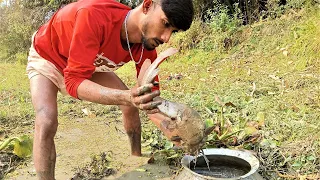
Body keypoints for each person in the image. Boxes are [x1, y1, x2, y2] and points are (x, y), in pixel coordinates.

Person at [26, 0, 194, 179]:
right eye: (166, 24)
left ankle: (135, 157)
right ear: (147, 6)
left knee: (130, 105)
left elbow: (149, 101)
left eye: (173, 31)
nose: (166, 38)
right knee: (46, 120)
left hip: (86, 63)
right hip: (49, 56)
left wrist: (173, 131)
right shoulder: (92, 15)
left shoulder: (147, 46)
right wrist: (127, 96)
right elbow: (73, 82)